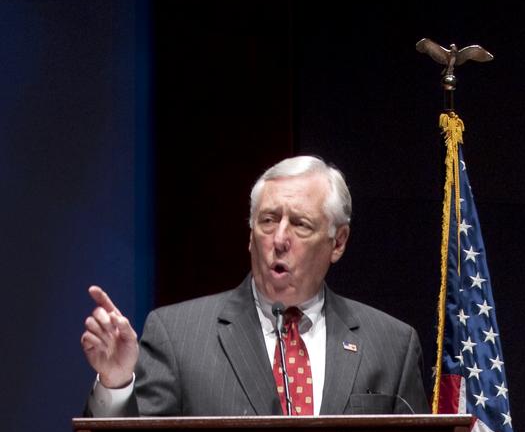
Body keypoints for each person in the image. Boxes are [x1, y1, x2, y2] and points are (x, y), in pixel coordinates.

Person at [81, 156, 427, 417]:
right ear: (250, 235)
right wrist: (116, 384)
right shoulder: (178, 336)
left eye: (301, 224)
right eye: (268, 220)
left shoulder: (391, 346)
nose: (279, 239)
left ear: (338, 243)